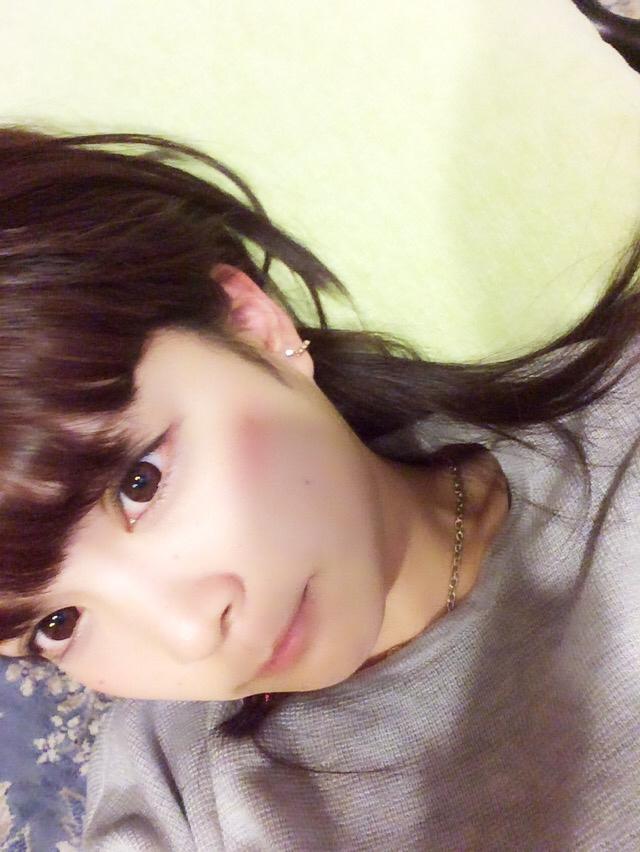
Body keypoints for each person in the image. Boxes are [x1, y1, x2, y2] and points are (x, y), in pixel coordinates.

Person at [0, 127, 638, 850]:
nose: (189, 636)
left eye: (140, 482)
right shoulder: (178, 805)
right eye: (57, 624)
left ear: (253, 324)